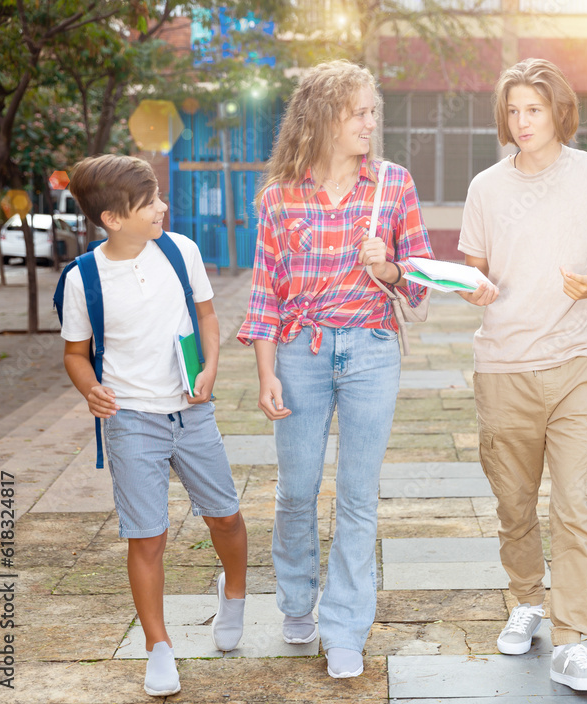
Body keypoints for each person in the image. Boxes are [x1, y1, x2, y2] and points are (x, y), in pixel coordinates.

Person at [237, 60, 433, 679]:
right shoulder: (278, 196)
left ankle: (345, 625)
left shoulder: (393, 185)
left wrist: (390, 271)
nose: (371, 123)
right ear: (323, 118)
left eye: (374, 111)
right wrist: (266, 373)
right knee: (296, 491)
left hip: (372, 349)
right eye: (359, 113)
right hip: (299, 353)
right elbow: (265, 294)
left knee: (357, 497)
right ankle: (296, 600)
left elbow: (423, 279)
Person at [458, 58, 587, 692]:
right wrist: (471, 288)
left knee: (575, 506)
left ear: (559, 111)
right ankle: (526, 600)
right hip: (502, 366)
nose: (522, 121)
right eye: (513, 110)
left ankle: (574, 641)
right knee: (514, 505)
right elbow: (474, 270)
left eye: (533, 109)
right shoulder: (486, 187)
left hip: (575, 364)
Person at [60, 154, 248, 697]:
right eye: (150, 204)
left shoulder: (180, 250)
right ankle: (158, 645)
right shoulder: (84, 279)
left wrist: (210, 367)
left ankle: (233, 594)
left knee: (226, 518)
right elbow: (76, 353)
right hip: (130, 419)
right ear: (113, 218)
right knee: (147, 536)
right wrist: (88, 387)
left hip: (191, 409)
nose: (162, 207)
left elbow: (207, 316)